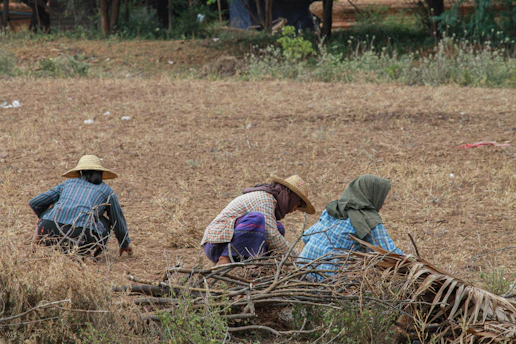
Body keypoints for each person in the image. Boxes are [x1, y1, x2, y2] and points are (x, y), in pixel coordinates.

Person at [298, 174, 403, 277]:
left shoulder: (333, 208)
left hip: (300, 270)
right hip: (326, 279)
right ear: (374, 194)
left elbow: (306, 236)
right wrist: (412, 262)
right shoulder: (367, 219)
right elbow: (390, 254)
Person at [29, 155, 133, 257]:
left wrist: (45, 216)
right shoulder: (107, 192)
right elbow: (117, 221)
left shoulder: (67, 184)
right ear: (101, 173)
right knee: (104, 222)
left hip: (48, 231)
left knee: (52, 209)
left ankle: (35, 245)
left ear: (79, 172)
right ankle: (87, 254)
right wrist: (124, 244)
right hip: (82, 238)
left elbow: (35, 202)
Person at [201, 174, 315, 265]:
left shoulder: (271, 202)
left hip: (227, 242)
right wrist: (298, 258)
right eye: (297, 204)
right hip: (216, 244)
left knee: (278, 227)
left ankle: (253, 267)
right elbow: (272, 235)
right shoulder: (264, 199)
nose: (295, 209)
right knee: (257, 220)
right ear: (290, 197)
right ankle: (225, 261)